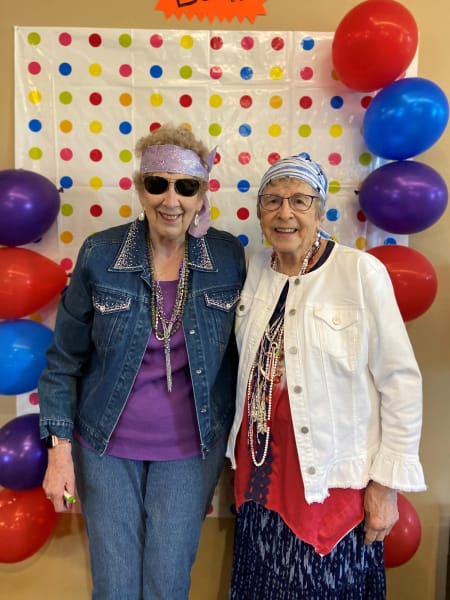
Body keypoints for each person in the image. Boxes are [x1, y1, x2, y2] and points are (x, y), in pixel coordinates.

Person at [38, 122, 246, 599]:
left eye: (185, 187)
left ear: (201, 194)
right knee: (114, 586)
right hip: (105, 445)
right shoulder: (101, 253)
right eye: (158, 184)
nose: (170, 199)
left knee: (168, 583)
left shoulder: (228, 256)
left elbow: (245, 353)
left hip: (193, 447)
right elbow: (63, 360)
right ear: (139, 187)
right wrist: (59, 450)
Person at [226, 152, 426, 599]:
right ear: (259, 213)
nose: (285, 213)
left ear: (320, 210)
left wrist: (385, 486)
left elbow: (400, 382)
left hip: (330, 486)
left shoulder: (359, 272)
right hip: (260, 482)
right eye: (272, 200)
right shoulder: (257, 269)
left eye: (300, 200)